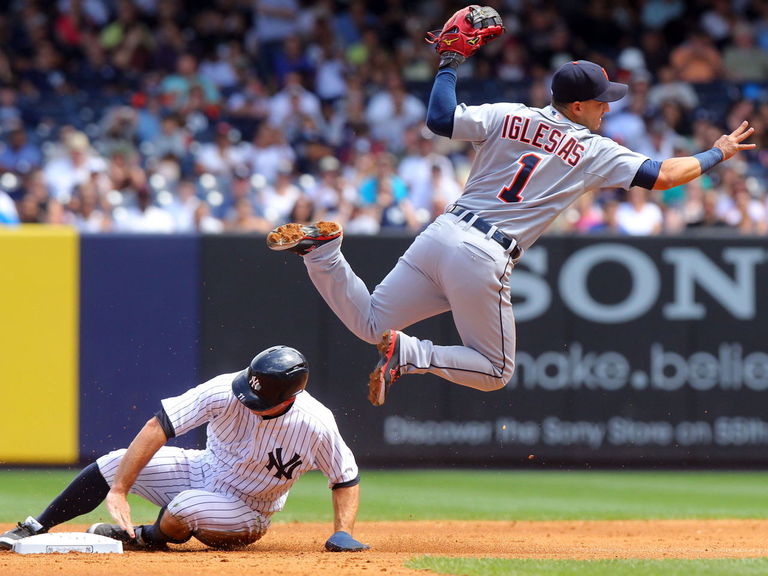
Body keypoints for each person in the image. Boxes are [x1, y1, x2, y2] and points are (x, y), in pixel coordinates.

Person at [265, 14, 755, 407]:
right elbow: (664, 175)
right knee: (495, 370)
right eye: (600, 101)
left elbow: (440, 118)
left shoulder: (509, 114)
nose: (607, 108)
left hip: (443, 232)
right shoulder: (593, 149)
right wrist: (718, 152)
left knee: (372, 323)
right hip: (485, 252)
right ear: (578, 106)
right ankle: (411, 354)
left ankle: (324, 254)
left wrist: (450, 61)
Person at [0, 346, 368, 553]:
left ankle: (143, 536)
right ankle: (37, 526)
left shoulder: (315, 423)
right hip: (203, 468)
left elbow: (345, 477)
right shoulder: (225, 388)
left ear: (289, 397)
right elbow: (157, 426)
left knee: (185, 507)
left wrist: (343, 531)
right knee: (115, 463)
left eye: (258, 398)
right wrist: (120, 489)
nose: (246, 398)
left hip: (248, 509)